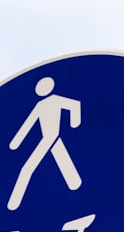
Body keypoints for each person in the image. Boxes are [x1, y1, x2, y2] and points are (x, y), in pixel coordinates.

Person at [6, 76, 82, 210]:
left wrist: (75, 123)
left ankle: (14, 203)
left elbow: (74, 105)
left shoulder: (55, 100)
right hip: (50, 137)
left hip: (51, 136)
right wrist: (16, 142)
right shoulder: (40, 105)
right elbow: (28, 124)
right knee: (61, 158)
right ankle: (75, 184)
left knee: (27, 168)